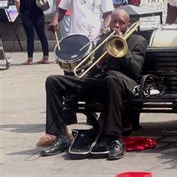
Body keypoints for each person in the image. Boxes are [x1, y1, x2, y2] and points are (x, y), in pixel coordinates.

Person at [40, 9, 147, 160]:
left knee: (111, 79)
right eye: (114, 21)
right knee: (53, 81)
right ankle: (60, 137)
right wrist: (101, 60)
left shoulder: (138, 40)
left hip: (121, 82)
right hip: (99, 82)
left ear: (127, 24)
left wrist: (123, 50)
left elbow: (135, 71)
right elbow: (93, 69)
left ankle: (114, 139)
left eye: (121, 22)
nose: (116, 25)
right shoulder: (103, 39)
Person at [13, 0, 49, 65]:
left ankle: (30, 59)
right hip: (38, 13)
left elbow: (17, 0)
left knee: (30, 36)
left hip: (26, 13)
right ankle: (45, 57)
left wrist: (19, 10)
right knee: (42, 34)